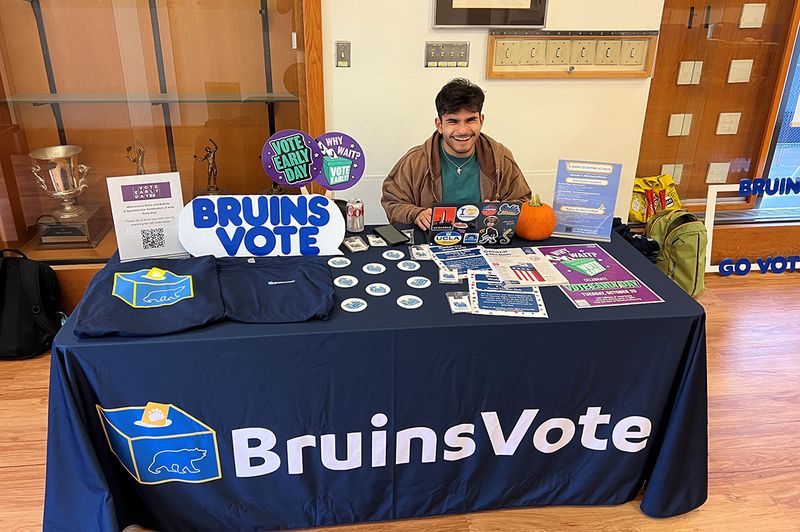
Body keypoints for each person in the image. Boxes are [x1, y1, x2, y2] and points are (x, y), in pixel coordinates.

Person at [381, 78, 531, 230]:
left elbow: (523, 201)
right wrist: (416, 213)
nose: (462, 130)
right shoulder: (415, 160)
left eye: (470, 120)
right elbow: (391, 201)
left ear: (481, 120)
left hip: (486, 243)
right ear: (439, 125)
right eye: (453, 121)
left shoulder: (501, 157)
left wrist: (503, 210)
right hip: (431, 246)